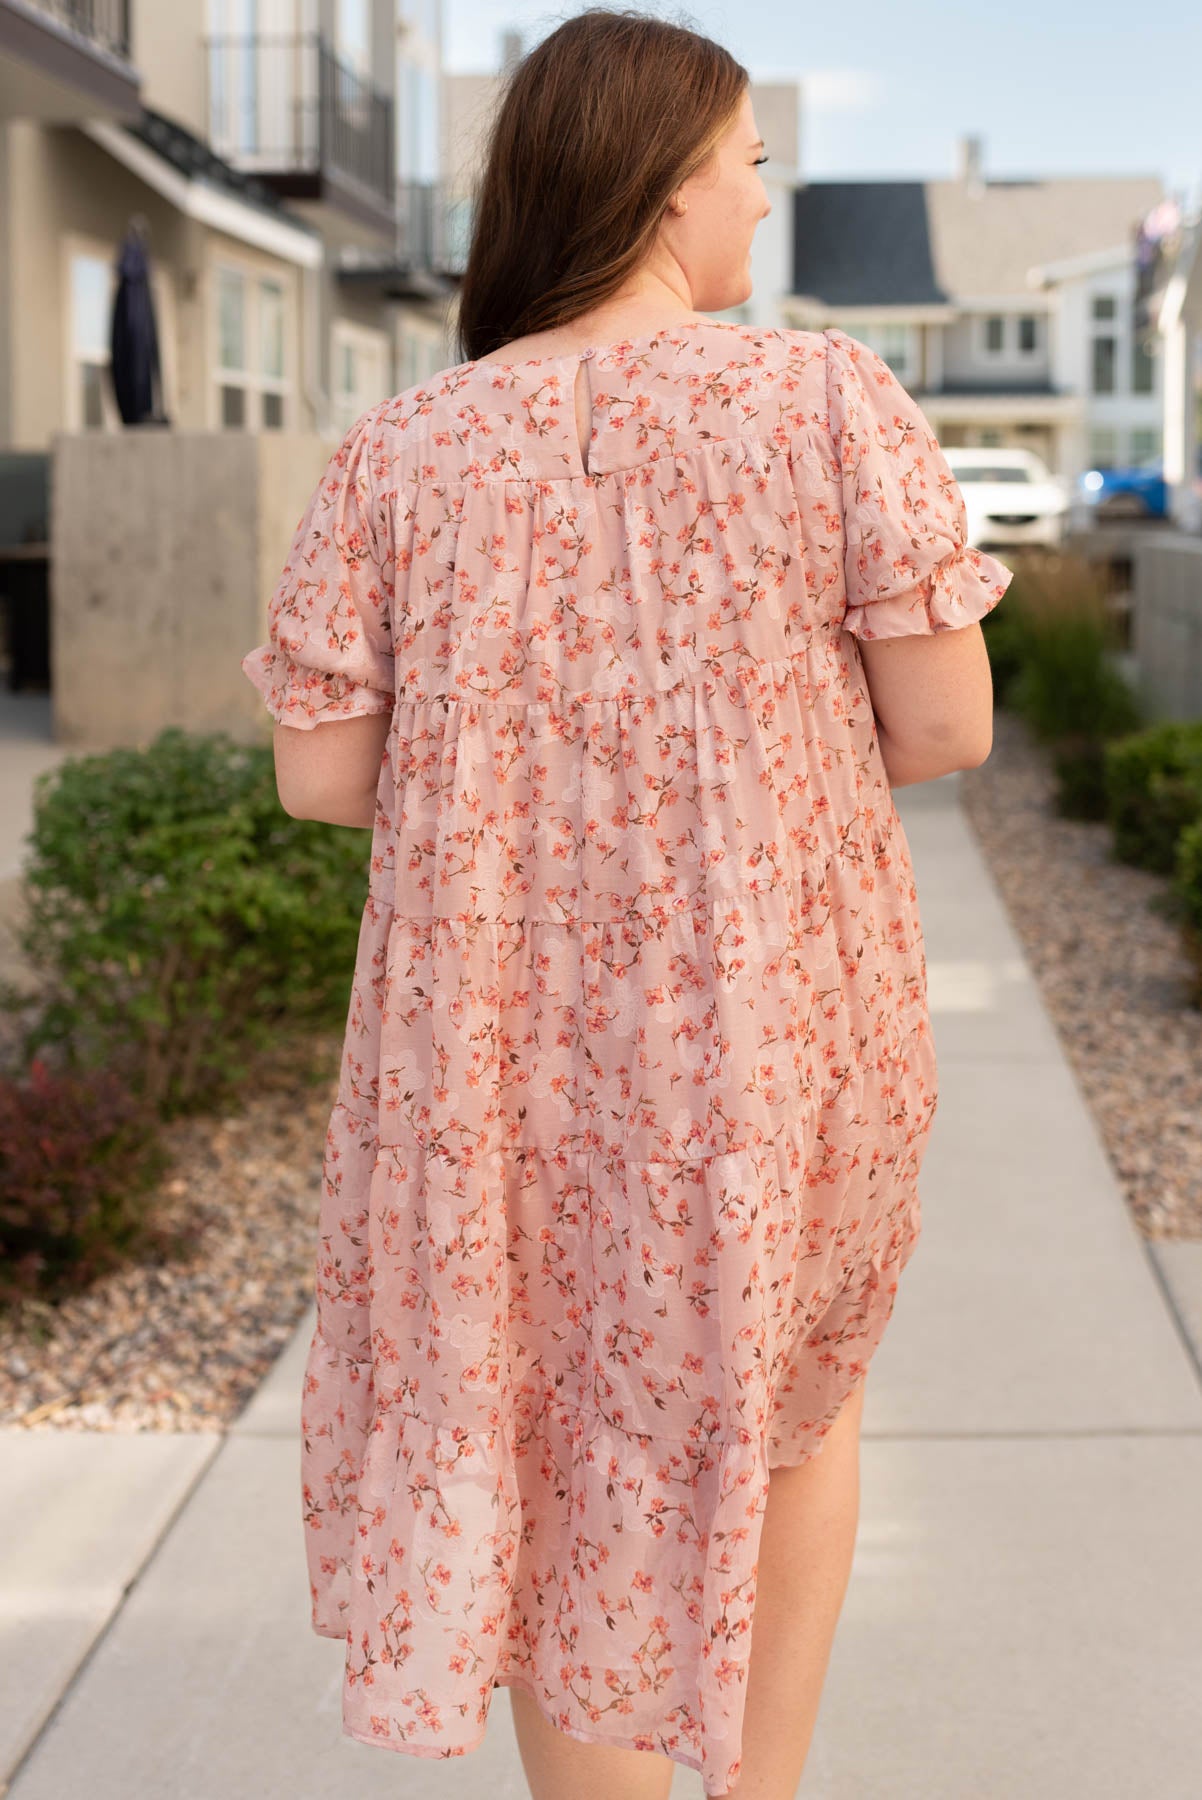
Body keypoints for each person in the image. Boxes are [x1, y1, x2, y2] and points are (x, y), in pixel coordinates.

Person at [240, 9, 1012, 1798]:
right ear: (671, 192)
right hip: (777, 1030)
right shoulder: (825, 403)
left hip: (489, 1057)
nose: (763, 196)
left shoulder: (401, 450)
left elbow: (318, 778)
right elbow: (947, 722)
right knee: (786, 1414)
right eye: (748, 164)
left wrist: (517, 777)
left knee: (548, 1432)